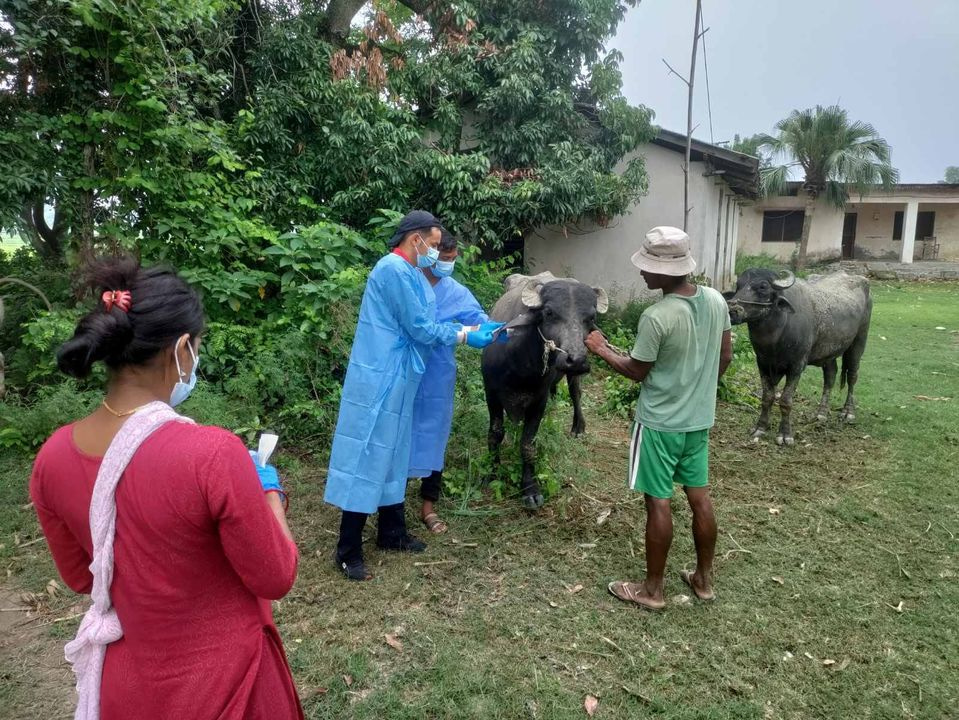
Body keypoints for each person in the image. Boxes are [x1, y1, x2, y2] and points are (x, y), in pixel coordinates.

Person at [29, 258, 304, 719]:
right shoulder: (211, 454)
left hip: (130, 688)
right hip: (229, 684)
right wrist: (268, 492)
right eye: (197, 347)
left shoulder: (52, 459)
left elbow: (84, 577)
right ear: (180, 349)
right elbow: (277, 575)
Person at [324, 211, 502, 581]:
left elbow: (429, 321)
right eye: (434, 245)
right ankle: (347, 548)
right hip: (381, 376)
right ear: (415, 238)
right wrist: (465, 335)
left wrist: (480, 327)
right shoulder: (392, 269)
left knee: (395, 454)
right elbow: (421, 327)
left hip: (401, 376)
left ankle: (391, 532)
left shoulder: (411, 273)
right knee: (370, 455)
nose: (436, 252)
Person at [585, 226, 733, 610]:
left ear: (666, 272)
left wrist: (601, 349)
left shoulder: (656, 316)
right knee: (700, 498)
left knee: (658, 503)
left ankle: (652, 591)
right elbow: (725, 357)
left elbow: (636, 370)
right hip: (698, 422)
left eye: (647, 266)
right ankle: (703, 580)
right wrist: (698, 388)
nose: (641, 272)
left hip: (658, 425)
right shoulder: (716, 300)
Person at [409, 230, 489, 535]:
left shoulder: (455, 291)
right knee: (400, 433)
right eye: (445, 258)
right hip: (404, 371)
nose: (449, 264)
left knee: (435, 435)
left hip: (437, 376)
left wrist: (492, 329)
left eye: (453, 259)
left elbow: (478, 319)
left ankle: (428, 506)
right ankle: (391, 502)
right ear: (430, 255)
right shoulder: (409, 282)